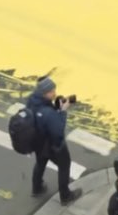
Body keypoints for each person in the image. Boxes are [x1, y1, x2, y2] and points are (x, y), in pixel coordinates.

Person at [26, 76, 83, 205]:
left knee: (40, 162)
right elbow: (58, 132)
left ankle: (37, 188)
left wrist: (55, 107)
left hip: (38, 142)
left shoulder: (32, 100)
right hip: (53, 146)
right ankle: (66, 196)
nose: (55, 93)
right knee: (64, 166)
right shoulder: (47, 113)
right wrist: (62, 111)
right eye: (52, 91)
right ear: (45, 93)